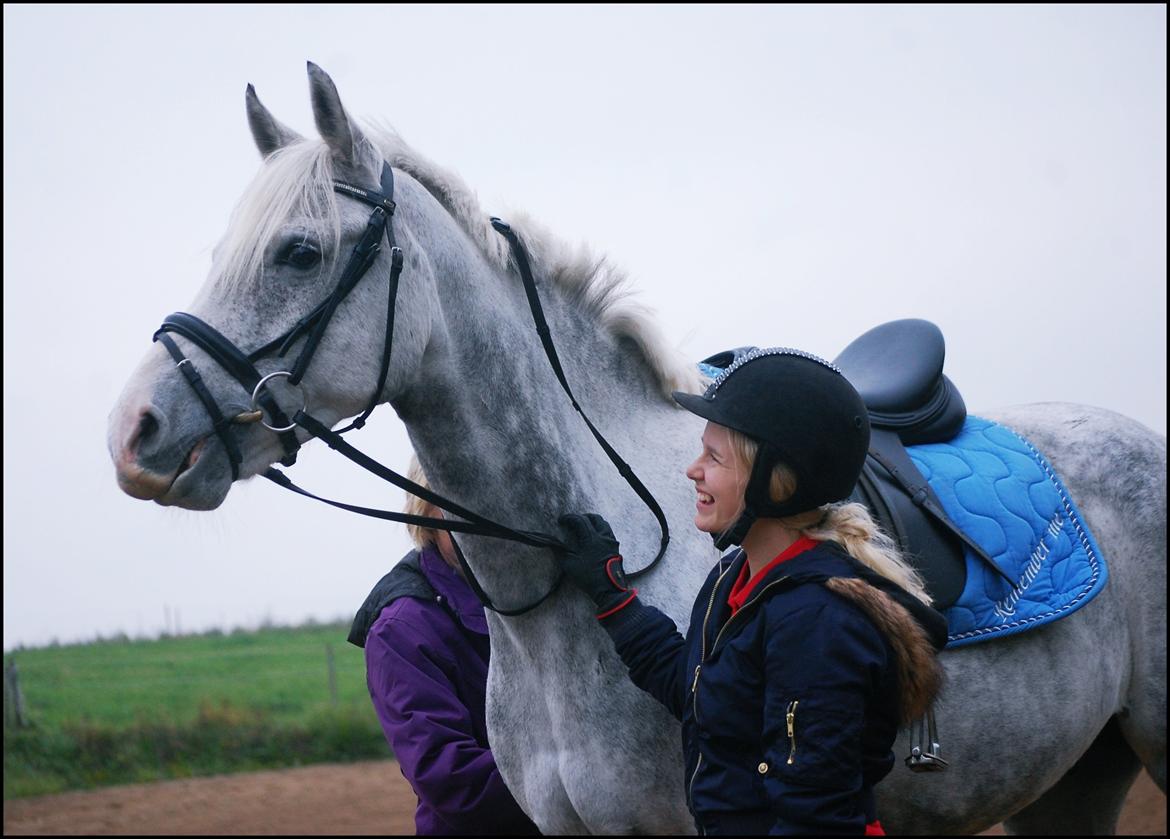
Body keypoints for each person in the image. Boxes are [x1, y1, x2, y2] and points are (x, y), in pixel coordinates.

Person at [555, 347, 948, 835]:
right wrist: (613, 597)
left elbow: (815, 821)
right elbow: (696, 692)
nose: (692, 469)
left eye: (714, 456)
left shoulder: (816, 623)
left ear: (775, 482)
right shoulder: (734, 579)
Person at [348, 456, 540, 836]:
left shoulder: (535, 593)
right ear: (425, 515)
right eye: (457, 501)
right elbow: (454, 782)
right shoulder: (401, 629)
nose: (481, 517)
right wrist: (589, 770)